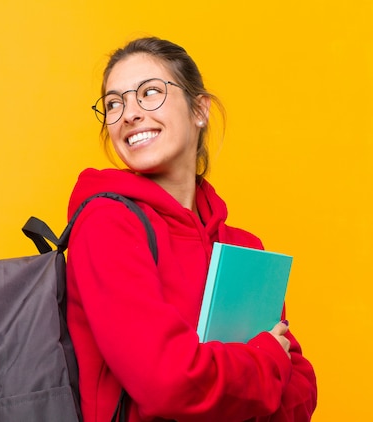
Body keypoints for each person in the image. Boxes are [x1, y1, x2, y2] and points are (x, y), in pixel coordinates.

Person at [65, 37, 317, 422]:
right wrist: (264, 360)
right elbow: (167, 382)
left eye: (149, 92)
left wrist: (230, 376)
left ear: (199, 110)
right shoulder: (107, 224)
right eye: (114, 103)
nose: (129, 113)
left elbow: (302, 388)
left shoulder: (243, 247)